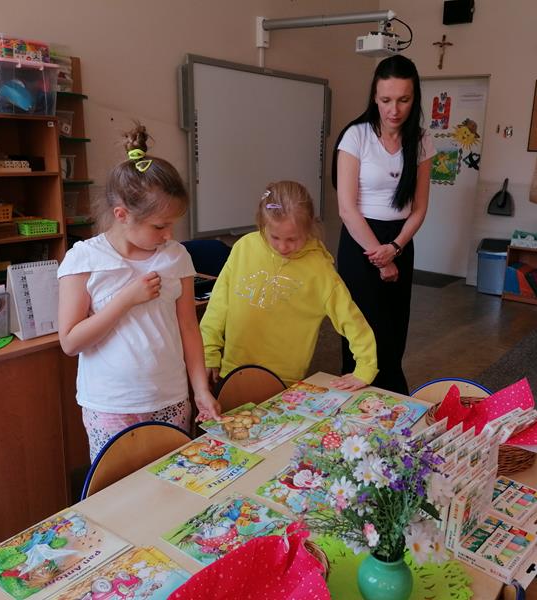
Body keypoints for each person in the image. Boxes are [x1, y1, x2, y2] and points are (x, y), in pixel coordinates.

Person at [57, 123, 220, 461]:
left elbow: (189, 328)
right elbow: (70, 342)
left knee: (174, 477)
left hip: (170, 398)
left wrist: (200, 389)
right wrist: (126, 299)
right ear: (122, 215)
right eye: (159, 226)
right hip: (111, 405)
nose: (168, 234)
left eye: (172, 224)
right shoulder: (84, 259)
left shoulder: (176, 256)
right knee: (119, 486)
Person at [200, 180, 377, 391]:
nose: (283, 247)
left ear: (309, 228)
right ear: (262, 224)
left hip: (283, 380)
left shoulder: (319, 269)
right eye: (275, 237)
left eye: (293, 239)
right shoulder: (244, 247)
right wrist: (208, 351)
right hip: (232, 370)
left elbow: (351, 319)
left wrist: (365, 367)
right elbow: (218, 306)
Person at [332, 55, 435, 394]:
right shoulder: (356, 136)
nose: (394, 109)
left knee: (393, 330)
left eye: (404, 100)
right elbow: (347, 208)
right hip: (360, 242)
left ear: (414, 98)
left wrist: (395, 249)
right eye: (386, 100)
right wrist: (381, 256)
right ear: (374, 97)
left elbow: (419, 207)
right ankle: (354, 404)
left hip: (399, 242)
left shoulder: (421, 140)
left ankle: (391, 401)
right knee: (361, 329)